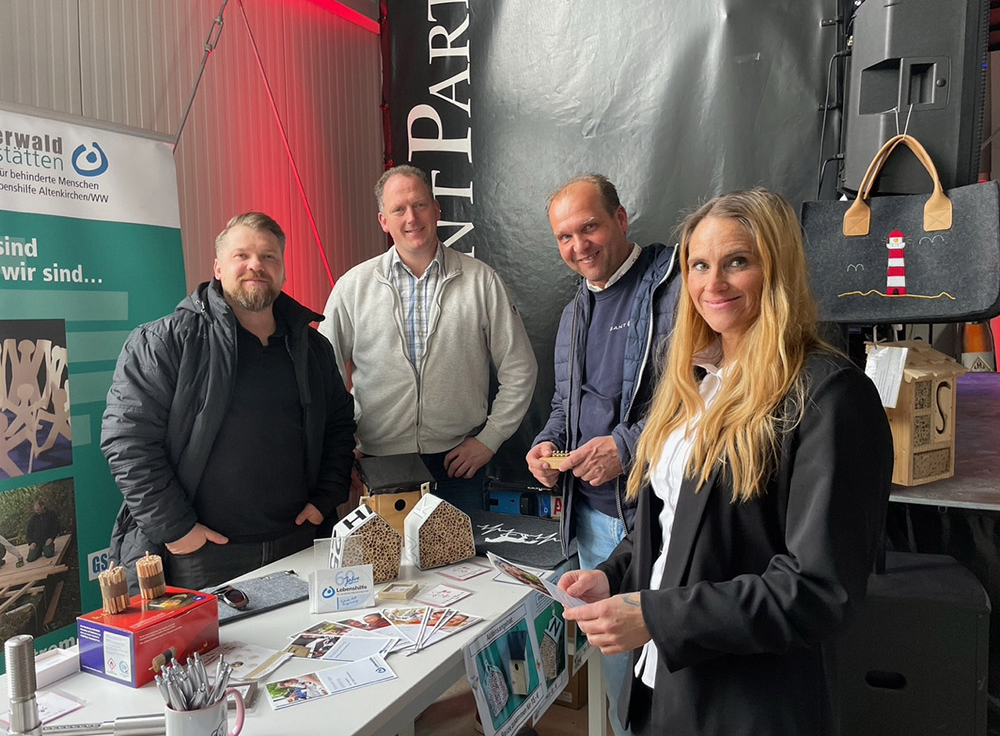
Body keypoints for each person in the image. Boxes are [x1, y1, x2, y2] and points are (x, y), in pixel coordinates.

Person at [558, 189, 893, 735]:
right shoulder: (694, 382)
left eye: (737, 262)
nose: (712, 284)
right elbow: (670, 526)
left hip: (747, 707)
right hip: (661, 688)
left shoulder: (829, 398)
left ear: (776, 269)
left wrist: (655, 616)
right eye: (699, 265)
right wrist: (613, 575)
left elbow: (817, 590)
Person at [102, 212, 356, 593]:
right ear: (218, 267)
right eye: (242, 255)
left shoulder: (312, 348)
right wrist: (177, 530)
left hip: (298, 545)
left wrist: (326, 499)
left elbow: (339, 425)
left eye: (269, 257)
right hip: (203, 558)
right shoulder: (166, 342)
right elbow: (127, 442)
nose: (256, 265)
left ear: (283, 271)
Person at [525, 174, 680, 735]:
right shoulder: (574, 314)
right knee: (615, 679)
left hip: (657, 520)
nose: (578, 246)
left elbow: (697, 397)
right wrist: (545, 445)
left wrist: (627, 445)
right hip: (589, 523)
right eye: (564, 237)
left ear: (620, 218)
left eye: (588, 227)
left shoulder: (676, 288)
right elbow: (565, 408)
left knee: (667, 678)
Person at [319, 165, 537, 514]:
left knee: (462, 568)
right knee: (384, 568)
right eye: (398, 209)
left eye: (420, 205)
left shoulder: (481, 281)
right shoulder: (352, 287)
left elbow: (520, 369)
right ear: (383, 221)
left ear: (437, 209)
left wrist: (489, 439)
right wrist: (342, 447)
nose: (411, 218)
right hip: (377, 465)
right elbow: (322, 378)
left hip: (458, 465)